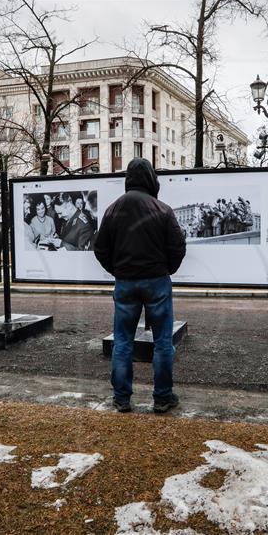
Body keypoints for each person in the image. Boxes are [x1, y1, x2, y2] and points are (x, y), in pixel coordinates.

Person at [93, 157, 186, 414]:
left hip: (125, 283)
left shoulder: (113, 210)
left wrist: (117, 269)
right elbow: (178, 247)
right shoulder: (163, 210)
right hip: (157, 282)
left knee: (123, 341)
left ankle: (122, 398)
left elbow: (100, 248)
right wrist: (167, 269)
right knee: (163, 342)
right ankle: (162, 397)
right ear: (150, 178)